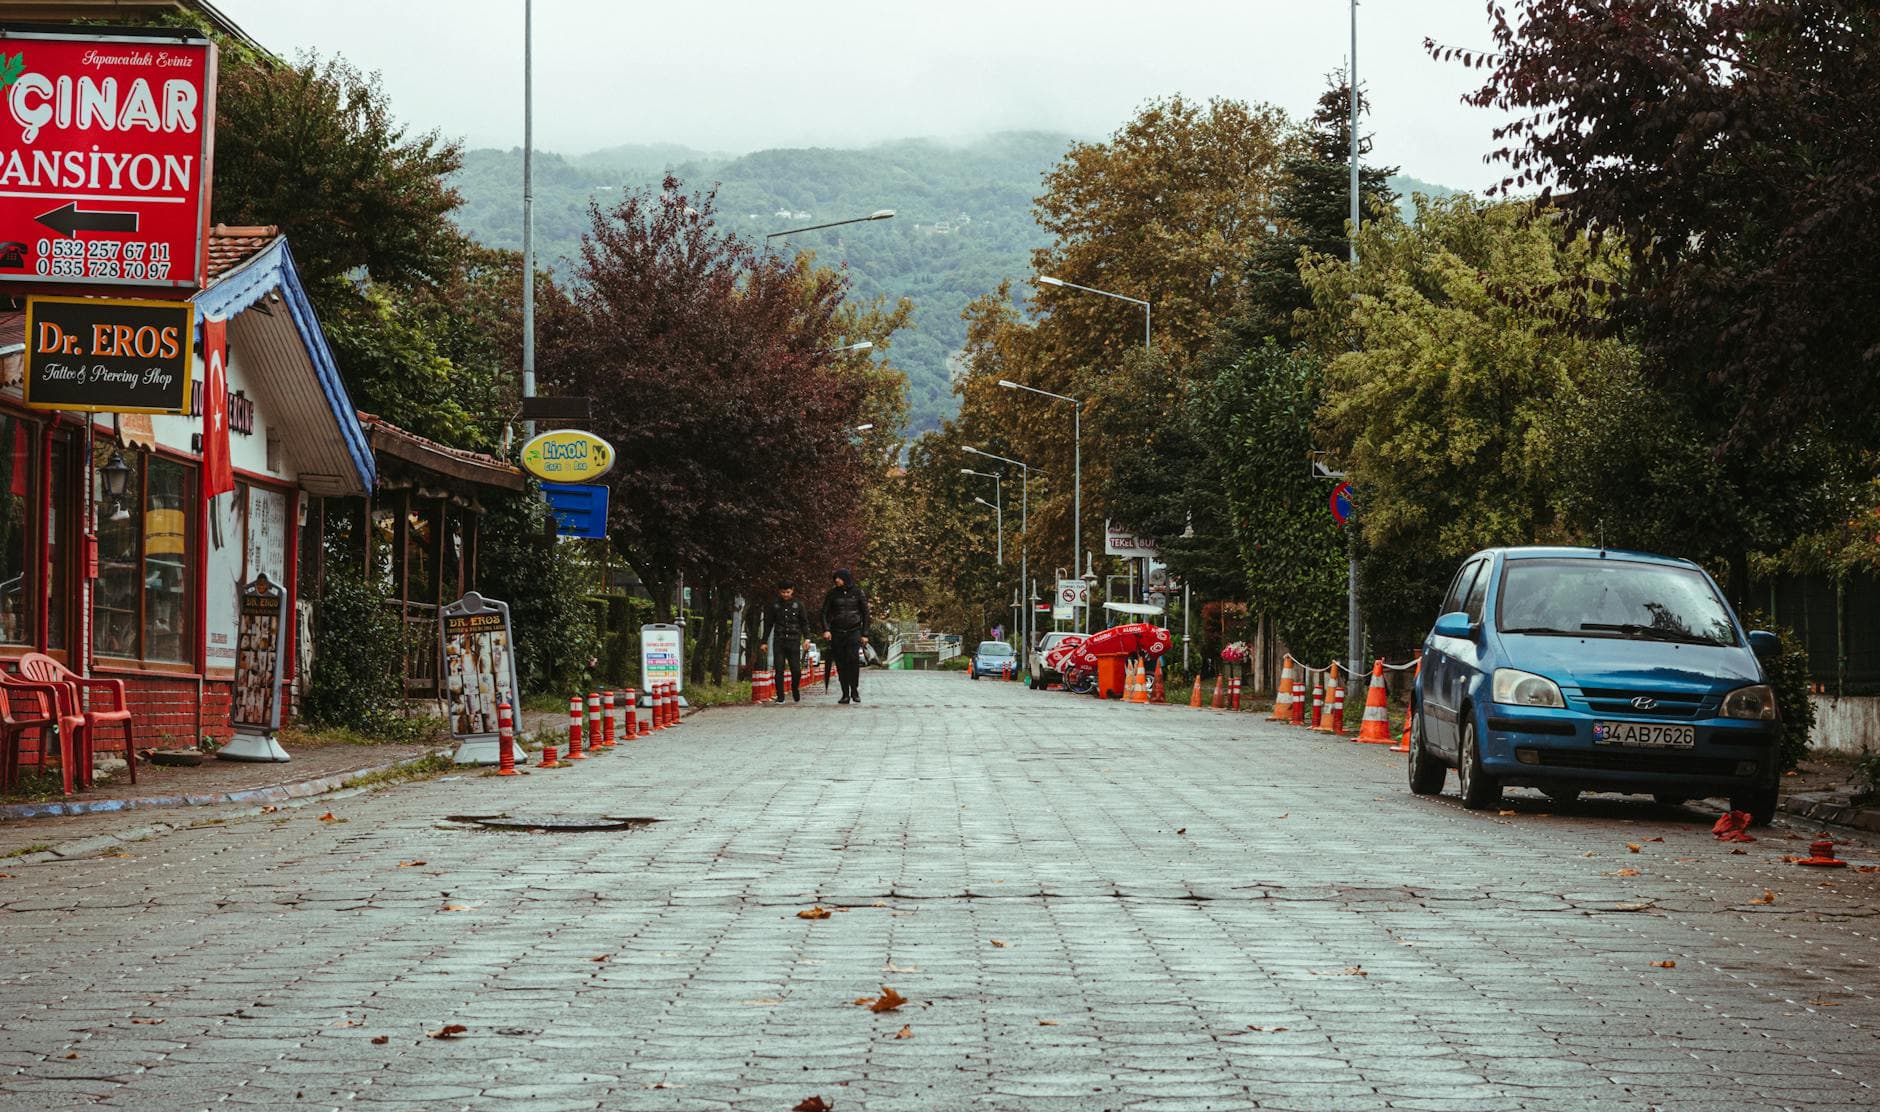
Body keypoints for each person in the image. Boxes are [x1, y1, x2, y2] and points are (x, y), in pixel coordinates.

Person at [821, 568, 871, 705]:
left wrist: (865, 633)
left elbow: (866, 614)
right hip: (837, 632)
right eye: (835, 578)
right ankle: (845, 694)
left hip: (854, 631)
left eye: (839, 577)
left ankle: (854, 689)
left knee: (853, 660)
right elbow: (824, 613)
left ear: (846, 578)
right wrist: (826, 629)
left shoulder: (858, 592)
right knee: (841, 663)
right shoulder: (832, 594)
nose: (836, 580)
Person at [763, 581, 811, 703]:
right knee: (779, 669)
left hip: (794, 641)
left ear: (792, 590)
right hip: (779, 641)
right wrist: (764, 641)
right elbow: (768, 624)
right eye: (783, 592)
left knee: (796, 670)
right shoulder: (774, 605)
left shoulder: (798, 605)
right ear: (779, 591)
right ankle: (780, 697)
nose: (785, 594)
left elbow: (804, 623)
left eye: (788, 592)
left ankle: (794, 687)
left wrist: (807, 638)